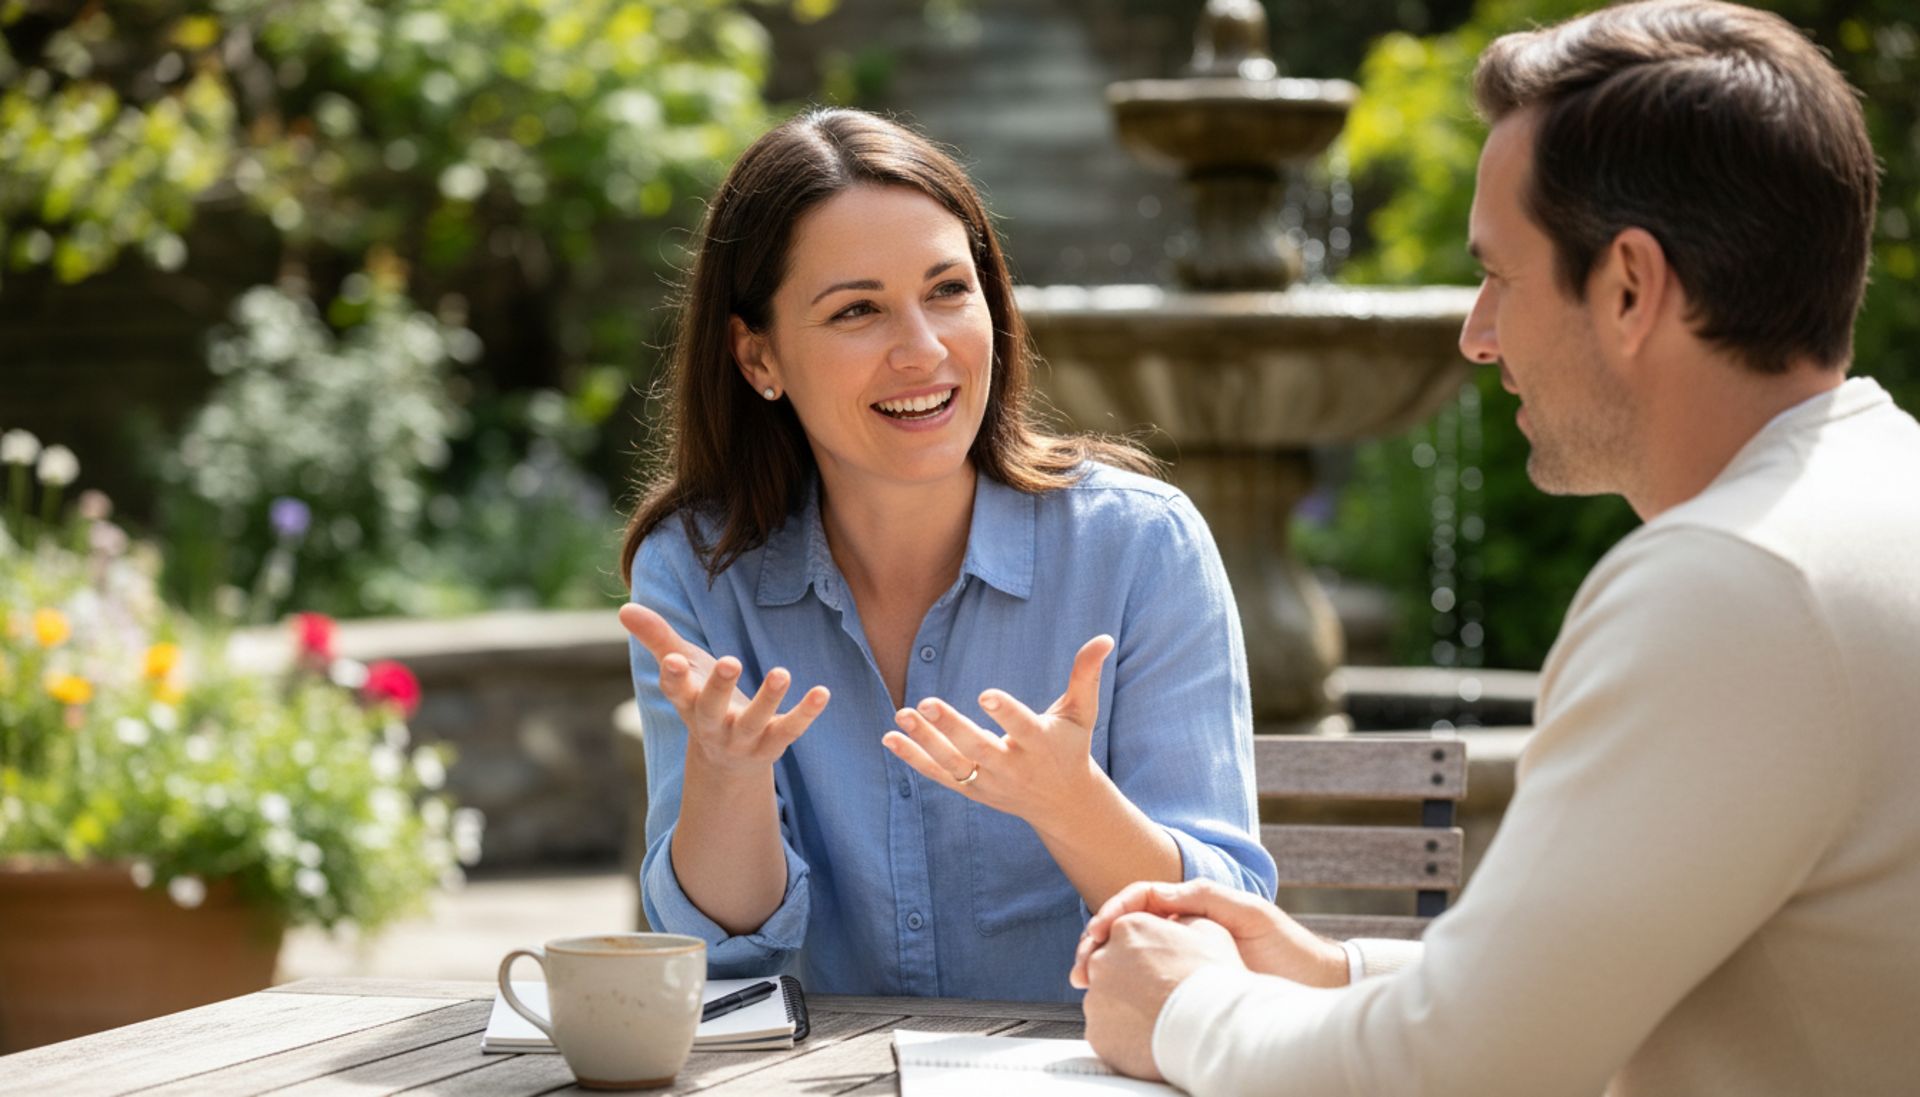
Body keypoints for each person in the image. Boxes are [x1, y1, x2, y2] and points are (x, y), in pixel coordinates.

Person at [1072, 1, 1920, 1092]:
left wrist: (1184, 1006)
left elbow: (1455, 1073)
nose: (1478, 332)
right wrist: (1330, 967)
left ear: (1628, 286)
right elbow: (1609, 983)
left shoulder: (1729, 584)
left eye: (1501, 275)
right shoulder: (1872, 495)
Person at [616, 108, 1277, 1003]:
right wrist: (728, 777)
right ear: (758, 354)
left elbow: (1224, 933)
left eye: (947, 291)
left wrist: (1068, 799)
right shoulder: (696, 571)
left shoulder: (1140, 547)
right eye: (857, 310)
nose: (923, 351)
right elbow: (723, 963)